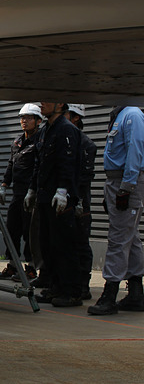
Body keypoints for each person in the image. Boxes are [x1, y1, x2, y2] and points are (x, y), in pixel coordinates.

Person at [25, 102, 83, 307]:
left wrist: (63, 190)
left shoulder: (67, 130)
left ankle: (72, 291)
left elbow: (68, 163)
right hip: (45, 195)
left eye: (47, 100)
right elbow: (39, 163)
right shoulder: (46, 131)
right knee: (48, 243)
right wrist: (32, 189)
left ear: (60, 104)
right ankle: (55, 286)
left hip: (59, 197)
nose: (42, 103)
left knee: (64, 245)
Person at [87, 105, 144, 315]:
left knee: (118, 238)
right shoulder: (120, 114)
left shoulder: (131, 114)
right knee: (131, 237)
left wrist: (126, 188)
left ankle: (109, 294)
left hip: (125, 181)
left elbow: (135, 150)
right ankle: (136, 293)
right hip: (117, 180)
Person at [0, 104, 43, 282]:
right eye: (22, 117)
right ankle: (13, 265)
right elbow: (11, 165)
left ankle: (31, 268)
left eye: (29, 117)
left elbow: (39, 168)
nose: (24, 121)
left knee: (29, 232)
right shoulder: (17, 142)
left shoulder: (40, 142)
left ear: (38, 121)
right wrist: (4, 185)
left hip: (32, 195)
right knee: (11, 229)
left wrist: (33, 190)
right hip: (17, 193)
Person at [65, 104, 97, 300]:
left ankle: (83, 284)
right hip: (66, 198)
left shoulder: (85, 144)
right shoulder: (65, 140)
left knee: (80, 242)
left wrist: (77, 201)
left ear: (76, 117)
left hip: (79, 201)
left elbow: (84, 177)